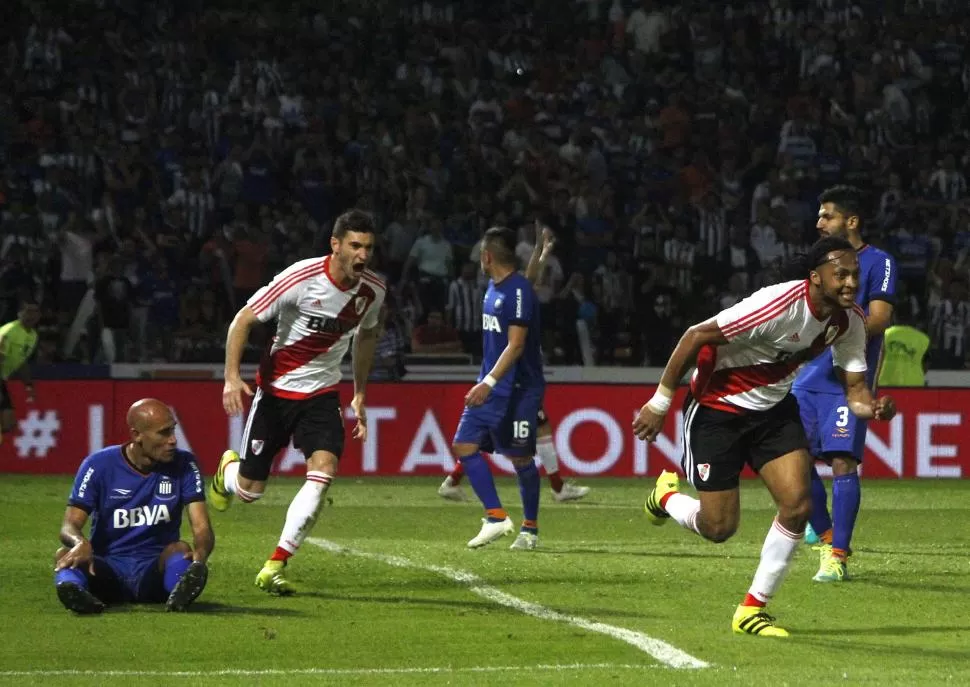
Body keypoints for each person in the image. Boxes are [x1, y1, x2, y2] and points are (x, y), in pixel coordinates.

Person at [634, 236, 896, 638]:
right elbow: (695, 336)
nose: (849, 283)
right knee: (718, 527)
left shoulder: (849, 322)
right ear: (815, 277)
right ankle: (666, 498)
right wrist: (659, 402)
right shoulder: (777, 305)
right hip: (717, 409)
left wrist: (873, 408)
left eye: (855, 275)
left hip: (773, 410)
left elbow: (856, 391)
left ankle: (752, 609)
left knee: (797, 505)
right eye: (840, 274)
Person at [209, 209, 385, 594]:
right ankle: (227, 472)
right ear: (335, 245)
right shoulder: (301, 278)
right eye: (355, 245)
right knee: (249, 492)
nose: (363, 255)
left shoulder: (373, 291)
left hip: (322, 395)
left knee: (323, 473)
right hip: (275, 394)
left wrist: (359, 392)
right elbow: (243, 320)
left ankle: (275, 563)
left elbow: (367, 337)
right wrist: (231, 378)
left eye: (368, 247)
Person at [439, 225, 590, 503]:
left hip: (509, 375)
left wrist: (540, 253)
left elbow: (528, 280)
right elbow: (526, 287)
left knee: (502, 430)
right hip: (512, 376)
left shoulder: (499, 289)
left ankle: (453, 480)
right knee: (516, 436)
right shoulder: (504, 292)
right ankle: (552, 492)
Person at [791, 186, 897, 582]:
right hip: (807, 377)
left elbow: (880, 318)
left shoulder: (880, 262)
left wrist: (836, 335)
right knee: (794, 459)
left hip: (847, 377)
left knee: (841, 462)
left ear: (851, 222)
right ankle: (826, 534)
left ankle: (837, 556)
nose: (819, 223)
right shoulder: (819, 263)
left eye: (827, 216)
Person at [54, 399, 213, 614]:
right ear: (137, 435)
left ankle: (179, 591)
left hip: (154, 571)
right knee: (64, 553)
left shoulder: (185, 464)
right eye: (163, 433)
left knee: (181, 549)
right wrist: (79, 542)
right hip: (106, 570)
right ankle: (76, 593)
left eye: (173, 431)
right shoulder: (98, 465)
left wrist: (199, 560)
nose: (173, 440)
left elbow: (201, 526)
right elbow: (69, 525)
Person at [451, 226, 546, 550]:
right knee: (464, 445)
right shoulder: (498, 287)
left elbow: (516, 345)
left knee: (520, 459)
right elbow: (527, 283)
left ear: (487, 256)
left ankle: (529, 529)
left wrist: (488, 383)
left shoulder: (515, 291)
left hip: (516, 388)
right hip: (491, 384)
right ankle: (495, 516)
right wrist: (539, 254)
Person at [0, 299, 41, 446]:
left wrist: (28, 385)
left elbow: (21, 362)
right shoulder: (8, 332)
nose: (32, 315)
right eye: (28, 311)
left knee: (9, 423)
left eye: (35, 312)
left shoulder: (32, 336)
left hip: (2, 379)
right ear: (19, 314)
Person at [878, 321, 930, 387]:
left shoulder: (884, 335)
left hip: (886, 384)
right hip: (914, 385)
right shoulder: (923, 338)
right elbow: (927, 364)